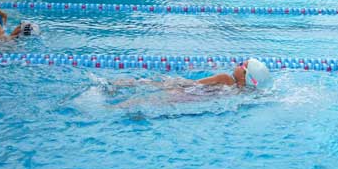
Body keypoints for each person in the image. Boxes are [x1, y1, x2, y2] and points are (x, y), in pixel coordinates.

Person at [107, 58, 272, 108]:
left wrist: (171, 83)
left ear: (244, 76)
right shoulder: (238, 92)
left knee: (146, 83)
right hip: (193, 100)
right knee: (151, 102)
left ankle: (115, 93)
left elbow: (192, 84)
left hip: (186, 91)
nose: (237, 64)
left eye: (242, 65)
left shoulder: (225, 78)